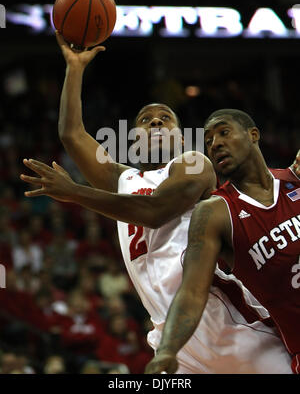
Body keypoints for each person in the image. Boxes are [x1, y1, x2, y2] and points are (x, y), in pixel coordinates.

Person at [19, 36, 294, 373]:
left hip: (227, 320)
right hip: (171, 333)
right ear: (135, 139)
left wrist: (76, 192)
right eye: (146, 121)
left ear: (180, 137)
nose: (155, 123)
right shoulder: (122, 180)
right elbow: (72, 134)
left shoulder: (194, 163)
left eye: (165, 118)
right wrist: (74, 69)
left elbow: (155, 211)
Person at [145, 109, 300, 374]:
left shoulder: (295, 178)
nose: (215, 143)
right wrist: (169, 349)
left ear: (253, 135)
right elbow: (192, 291)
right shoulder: (216, 212)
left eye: (224, 132)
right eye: (208, 141)